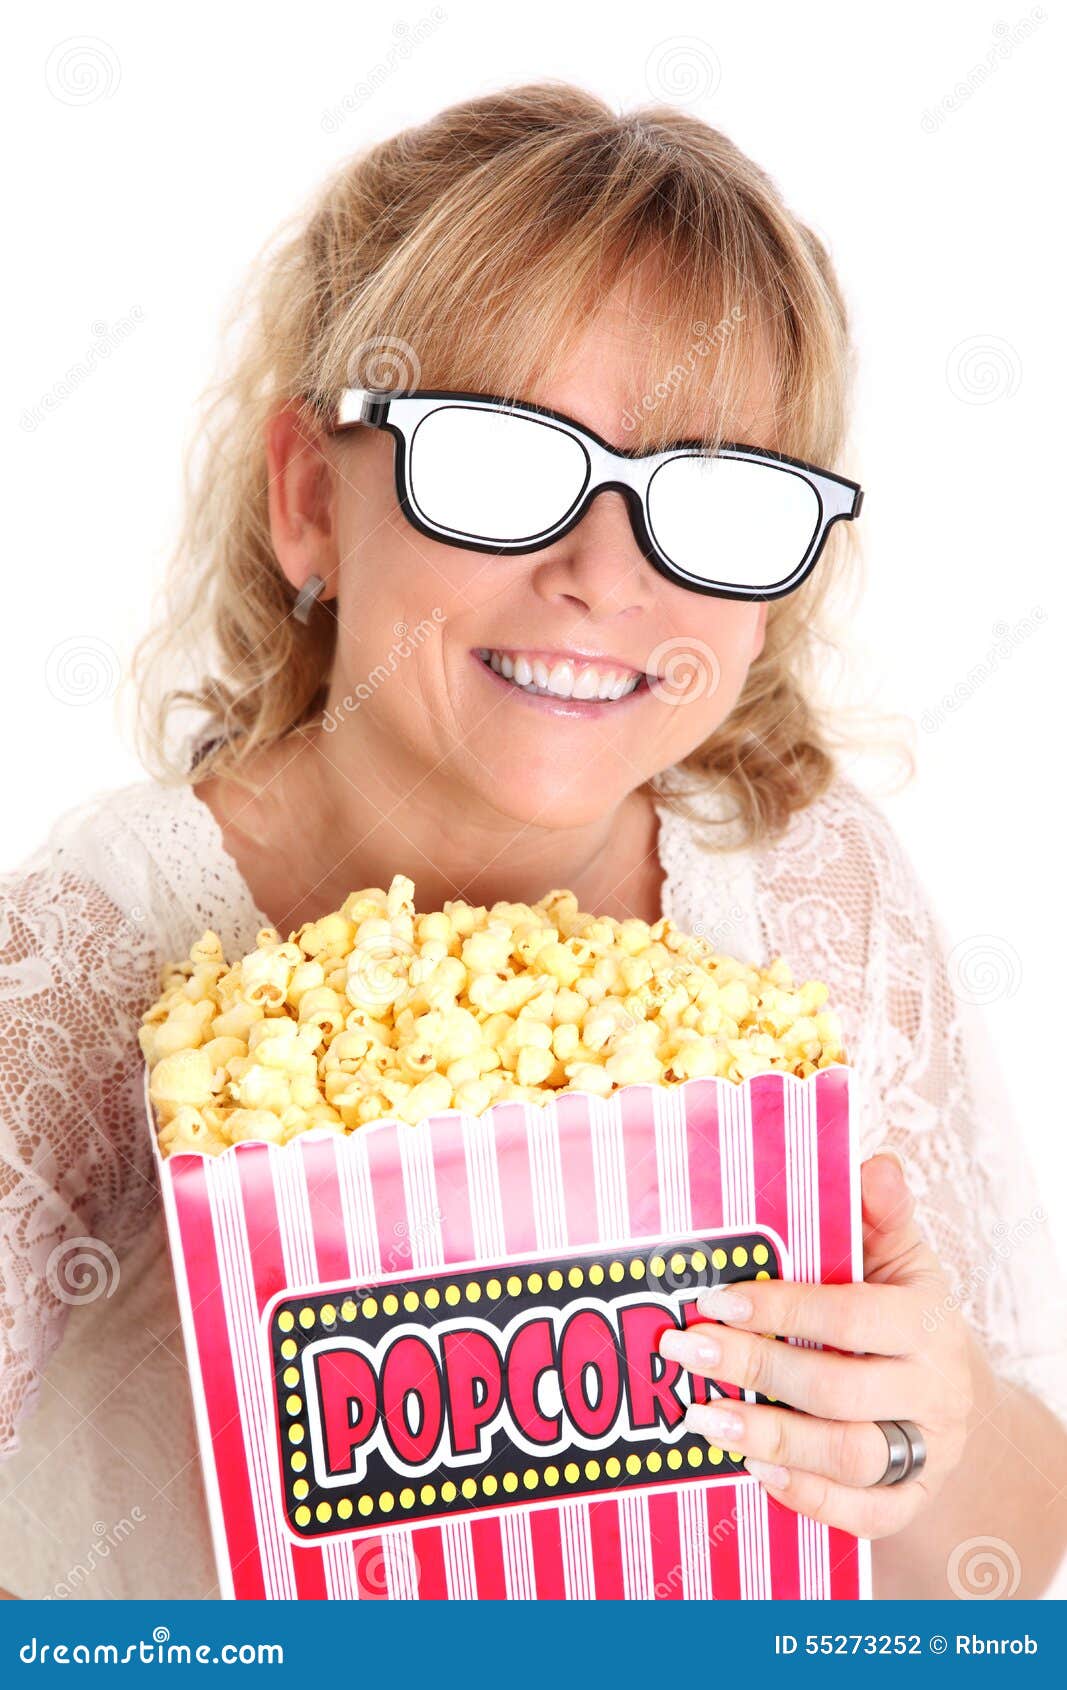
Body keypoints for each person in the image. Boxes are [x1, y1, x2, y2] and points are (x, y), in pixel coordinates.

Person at [1, 81, 1064, 1601]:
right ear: (312, 498)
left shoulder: (813, 890)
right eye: (503, 461)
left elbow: (1003, 1554)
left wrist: (920, 1439)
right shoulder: (81, 973)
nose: (602, 574)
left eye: (711, 493)